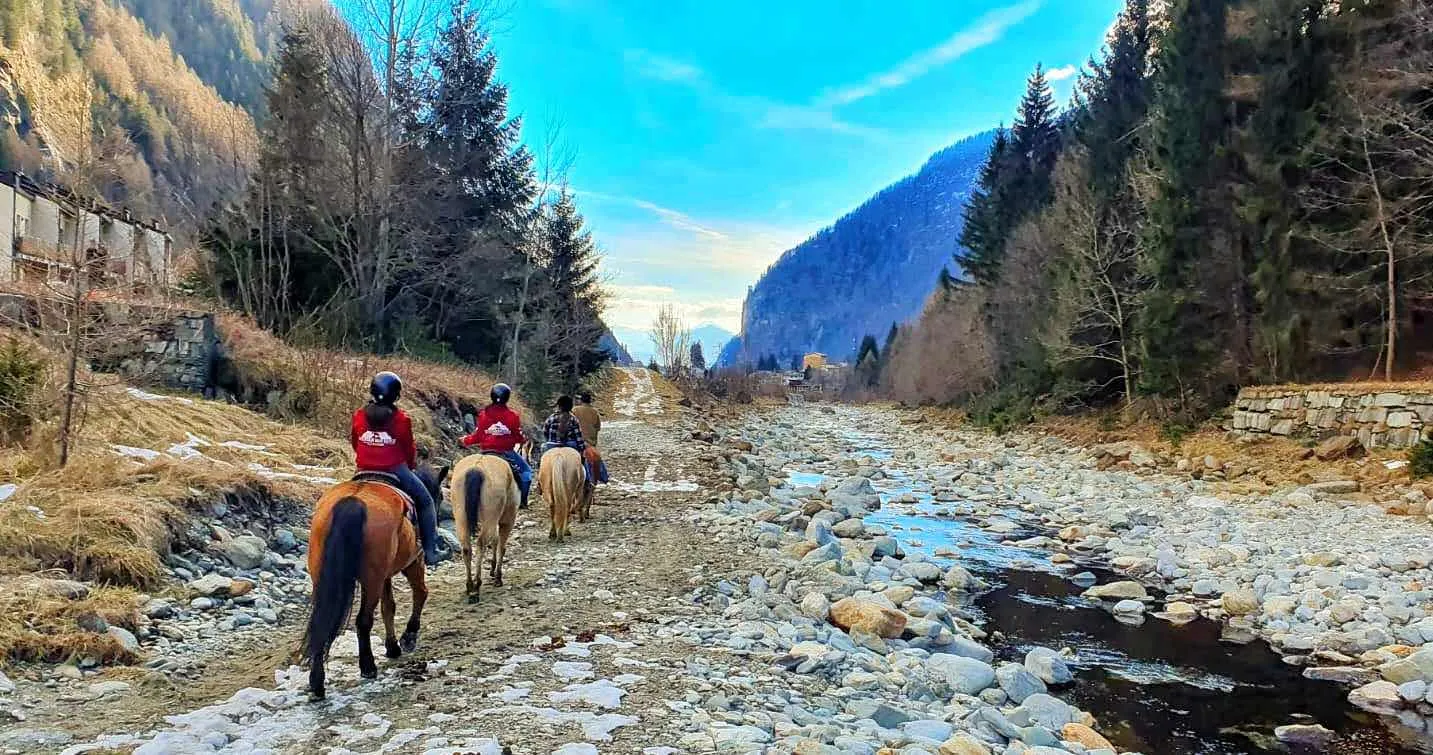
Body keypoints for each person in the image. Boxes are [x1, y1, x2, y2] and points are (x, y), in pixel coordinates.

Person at [351, 371, 440, 566]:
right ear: (396, 395)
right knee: (426, 502)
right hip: (394, 469)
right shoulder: (401, 419)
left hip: (363, 469)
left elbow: (355, 442)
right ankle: (431, 550)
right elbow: (409, 449)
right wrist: (410, 466)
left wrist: (367, 457)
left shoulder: (359, 415)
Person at [461, 383, 533, 509]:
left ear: (492, 396)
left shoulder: (483, 414)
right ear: (507, 397)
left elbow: (477, 436)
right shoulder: (513, 415)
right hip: (506, 452)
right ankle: (522, 502)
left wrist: (465, 440)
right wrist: (522, 439)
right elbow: (517, 437)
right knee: (526, 472)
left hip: (486, 451)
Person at [571, 391, 608, 484]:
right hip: (590, 442)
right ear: (590, 401)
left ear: (581, 400)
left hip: (575, 442)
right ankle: (603, 477)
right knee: (598, 461)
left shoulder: (574, 410)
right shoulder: (594, 412)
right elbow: (597, 428)